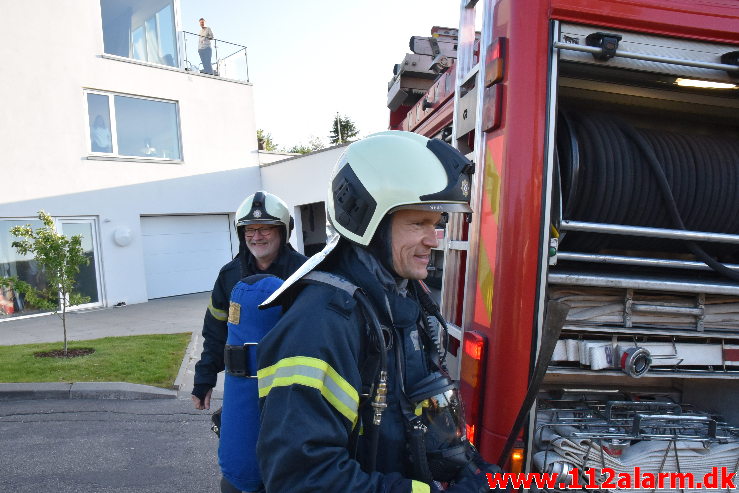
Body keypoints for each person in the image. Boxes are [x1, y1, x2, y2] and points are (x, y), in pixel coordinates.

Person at [256, 131, 501, 493]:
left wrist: (477, 472)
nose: (433, 240)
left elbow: (423, 414)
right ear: (367, 222)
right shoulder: (321, 323)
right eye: (417, 224)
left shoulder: (400, 301)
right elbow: (302, 478)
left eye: (434, 224)